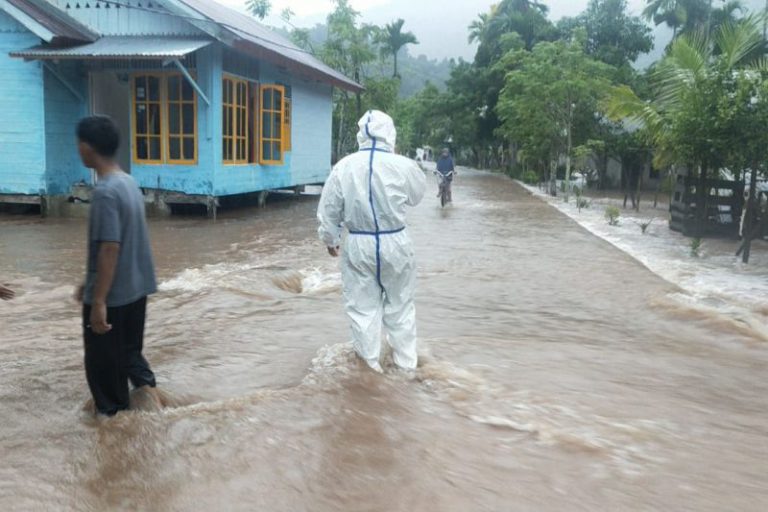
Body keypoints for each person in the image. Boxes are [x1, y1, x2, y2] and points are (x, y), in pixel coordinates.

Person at [317, 110, 426, 372]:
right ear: (390, 133)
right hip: (396, 241)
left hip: (358, 243)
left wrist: (330, 239)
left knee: (362, 310)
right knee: (400, 307)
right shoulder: (404, 165)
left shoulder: (343, 166)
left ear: (360, 135)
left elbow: (329, 209)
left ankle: (370, 373)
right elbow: (417, 196)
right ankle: (406, 368)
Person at [75, 116, 158, 416]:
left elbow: (110, 247)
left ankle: (117, 435)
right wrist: (90, 281)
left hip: (113, 298)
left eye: (79, 144)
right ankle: (153, 409)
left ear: (86, 147)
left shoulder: (106, 192)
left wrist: (98, 300)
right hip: (137, 291)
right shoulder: (128, 181)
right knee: (129, 356)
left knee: (104, 377)